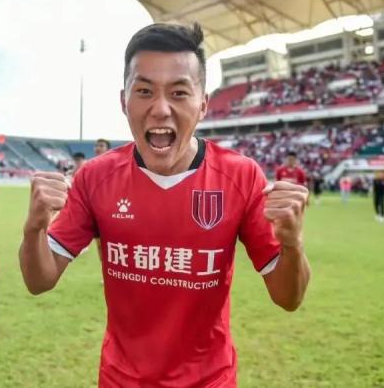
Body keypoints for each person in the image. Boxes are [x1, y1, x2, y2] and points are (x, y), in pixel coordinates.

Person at [19, 23, 311, 387]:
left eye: (178, 93)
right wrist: (34, 229)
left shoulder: (240, 176)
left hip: (210, 381)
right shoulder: (95, 177)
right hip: (121, 380)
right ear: (123, 101)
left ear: (203, 104)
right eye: (144, 91)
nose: (160, 109)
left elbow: (288, 298)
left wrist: (292, 244)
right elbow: (39, 280)